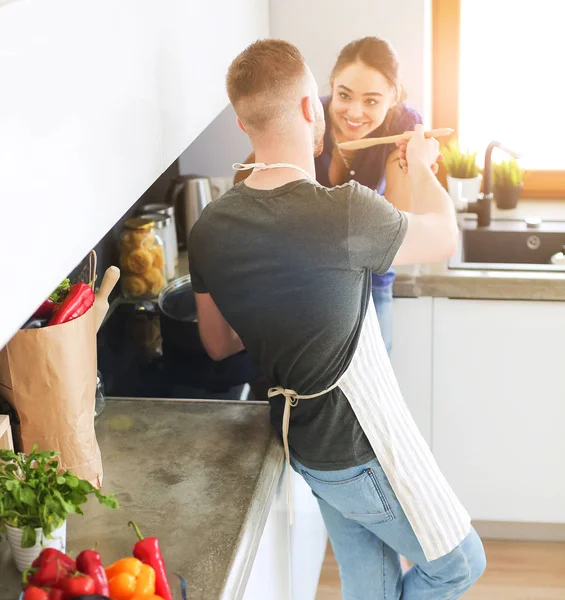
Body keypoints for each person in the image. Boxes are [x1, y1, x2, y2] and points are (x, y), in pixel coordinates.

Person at [188, 39, 486, 599]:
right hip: (358, 447)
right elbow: (443, 236)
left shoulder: (209, 228)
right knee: (460, 565)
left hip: (304, 443)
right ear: (311, 107)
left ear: (240, 121)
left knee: (368, 584)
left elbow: (219, 343)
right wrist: (423, 169)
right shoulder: (345, 210)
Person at [235, 36, 421, 354]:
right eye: (344, 95)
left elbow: (397, 223)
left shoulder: (403, 125)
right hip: (302, 272)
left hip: (368, 275)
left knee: (375, 372)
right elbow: (245, 180)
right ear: (332, 84)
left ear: (393, 98)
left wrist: (412, 161)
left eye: (372, 101)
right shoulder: (305, 116)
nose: (354, 112)